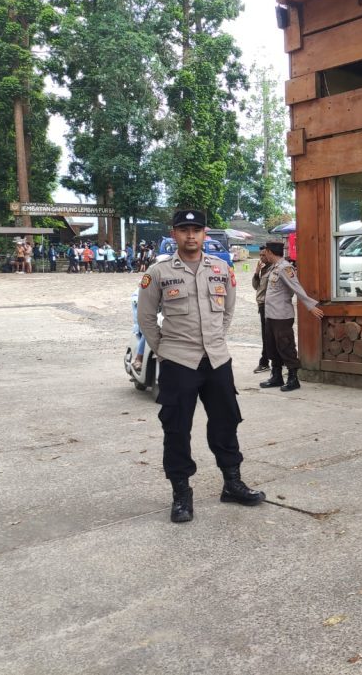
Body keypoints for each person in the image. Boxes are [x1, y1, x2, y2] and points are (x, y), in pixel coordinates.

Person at [137, 208, 264, 523]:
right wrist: (164, 351)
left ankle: (232, 483)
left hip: (217, 360)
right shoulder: (160, 272)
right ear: (174, 234)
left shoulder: (221, 268)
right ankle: (181, 493)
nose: (190, 235)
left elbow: (228, 310)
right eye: (184, 230)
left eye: (196, 229)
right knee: (176, 427)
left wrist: (216, 340)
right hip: (178, 361)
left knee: (226, 421)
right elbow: (146, 318)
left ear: (205, 233)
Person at [258, 241, 324, 392]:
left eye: (265, 252)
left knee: (286, 347)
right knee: (272, 347)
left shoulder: (285, 268)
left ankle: (293, 379)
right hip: (271, 315)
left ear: (269, 251)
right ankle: (276, 376)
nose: (264, 254)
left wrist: (310, 306)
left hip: (282, 316)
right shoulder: (273, 268)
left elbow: (296, 287)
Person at [251, 248, 274, 374]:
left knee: (268, 335)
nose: (261, 258)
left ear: (269, 254)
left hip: (267, 306)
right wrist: (256, 273)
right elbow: (256, 287)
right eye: (260, 255)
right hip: (262, 305)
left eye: (263, 255)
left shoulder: (273, 269)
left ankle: (265, 362)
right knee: (267, 335)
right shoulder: (264, 269)